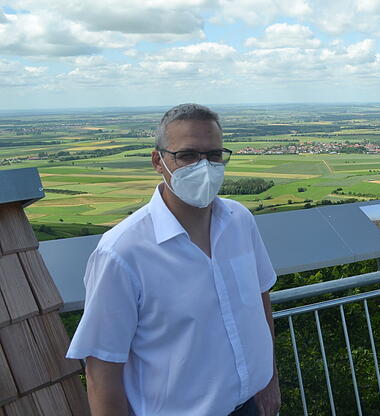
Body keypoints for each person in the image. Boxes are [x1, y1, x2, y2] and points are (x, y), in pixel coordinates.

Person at [67, 104, 280, 416]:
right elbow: (102, 371)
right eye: (188, 155)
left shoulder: (240, 221)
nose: (204, 166)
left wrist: (270, 380)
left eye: (214, 155)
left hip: (252, 406)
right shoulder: (122, 253)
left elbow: (260, 300)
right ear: (158, 161)